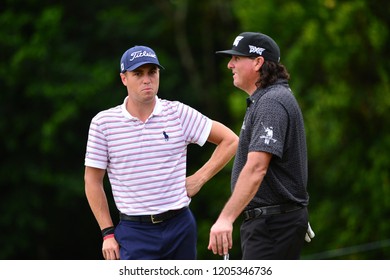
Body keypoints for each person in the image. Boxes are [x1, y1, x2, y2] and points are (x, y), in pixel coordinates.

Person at [84, 45, 238, 260]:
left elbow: (230, 140)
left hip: (180, 225)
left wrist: (199, 178)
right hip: (134, 230)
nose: (146, 79)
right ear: (124, 79)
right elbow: (92, 180)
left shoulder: (177, 113)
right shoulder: (103, 124)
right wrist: (107, 233)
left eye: (152, 72)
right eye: (138, 73)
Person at [208, 32, 314, 260]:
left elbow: (257, 168)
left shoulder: (271, 102)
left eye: (236, 58)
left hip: (273, 227)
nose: (229, 65)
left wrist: (226, 218)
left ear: (258, 62)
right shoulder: (267, 98)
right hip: (272, 225)